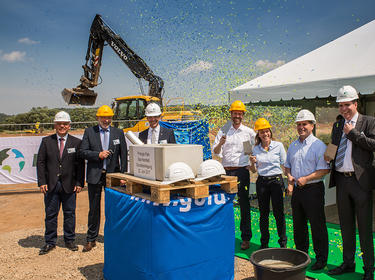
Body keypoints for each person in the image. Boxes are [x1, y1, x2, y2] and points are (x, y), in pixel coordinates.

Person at [326, 85, 374, 280]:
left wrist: (354, 133)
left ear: (356, 103)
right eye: (340, 105)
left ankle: (369, 269)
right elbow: (334, 146)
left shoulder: (369, 122)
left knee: (363, 227)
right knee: (346, 226)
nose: (344, 109)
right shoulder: (338, 125)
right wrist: (328, 155)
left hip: (360, 182)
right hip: (341, 181)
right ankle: (348, 263)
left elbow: (373, 144)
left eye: (347, 104)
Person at [284, 109, 330, 271]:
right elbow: (287, 166)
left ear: (312, 125)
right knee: (299, 225)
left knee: (317, 225)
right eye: (299, 124)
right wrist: (289, 177)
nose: (301, 127)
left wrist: (306, 178)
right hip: (298, 190)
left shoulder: (319, 145)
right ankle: (301, 254)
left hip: (313, 190)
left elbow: (324, 170)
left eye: (304, 124)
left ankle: (321, 259)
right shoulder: (293, 145)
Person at [80, 105, 127, 252]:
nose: (106, 120)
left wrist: (123, 175)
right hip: (95, 176)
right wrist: (97, 155)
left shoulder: (118, 133)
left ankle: (114, 236)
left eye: (108, 117)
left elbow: (123, 156)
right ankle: (91, 239)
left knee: (113, 208)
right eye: (103, 117)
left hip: (112, 177)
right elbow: (82, 152)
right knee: (94, 209)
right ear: (98, 118)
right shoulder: (89, 132)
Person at [37, 111, 84, 255]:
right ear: (55, 125)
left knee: (69, 214)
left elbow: (80, 165)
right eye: (59, 124)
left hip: (69, 185)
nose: (62, 126)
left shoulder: (77, 142)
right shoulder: (46, 141)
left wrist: (79, 182)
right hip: (51, 185)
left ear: (69, 126)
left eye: (65, 124)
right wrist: (42, 182)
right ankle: (50, 242)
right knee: (51, 214)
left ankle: (69, 240)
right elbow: (40, 162)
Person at [213, 100, 256, 250]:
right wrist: (221, 143)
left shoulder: (248, 132)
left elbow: (250, 152)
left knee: (244, 204)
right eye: (234, 113)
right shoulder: (224, 130)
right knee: (225, 203)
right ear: (230, 114)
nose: (237, 115)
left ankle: (245, 238)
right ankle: (224, 235)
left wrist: (252, 163)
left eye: (239, 113)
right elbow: (216, 152)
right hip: (226, 172)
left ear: (243, 115)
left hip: (242, 172)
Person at [249, 118, 287, 249]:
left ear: (270, 132)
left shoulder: (279, 146)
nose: (265, 134)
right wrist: (252, 162)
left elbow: (284, 164)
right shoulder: (255, 149)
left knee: (279, 213)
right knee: (263, 214)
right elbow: (254, 170)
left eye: (267, 131)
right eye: (262, 132)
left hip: (276, 181)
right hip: (262, 182)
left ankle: (283, 243)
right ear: (258, 135)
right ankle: (264, 243)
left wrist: (290, 181)